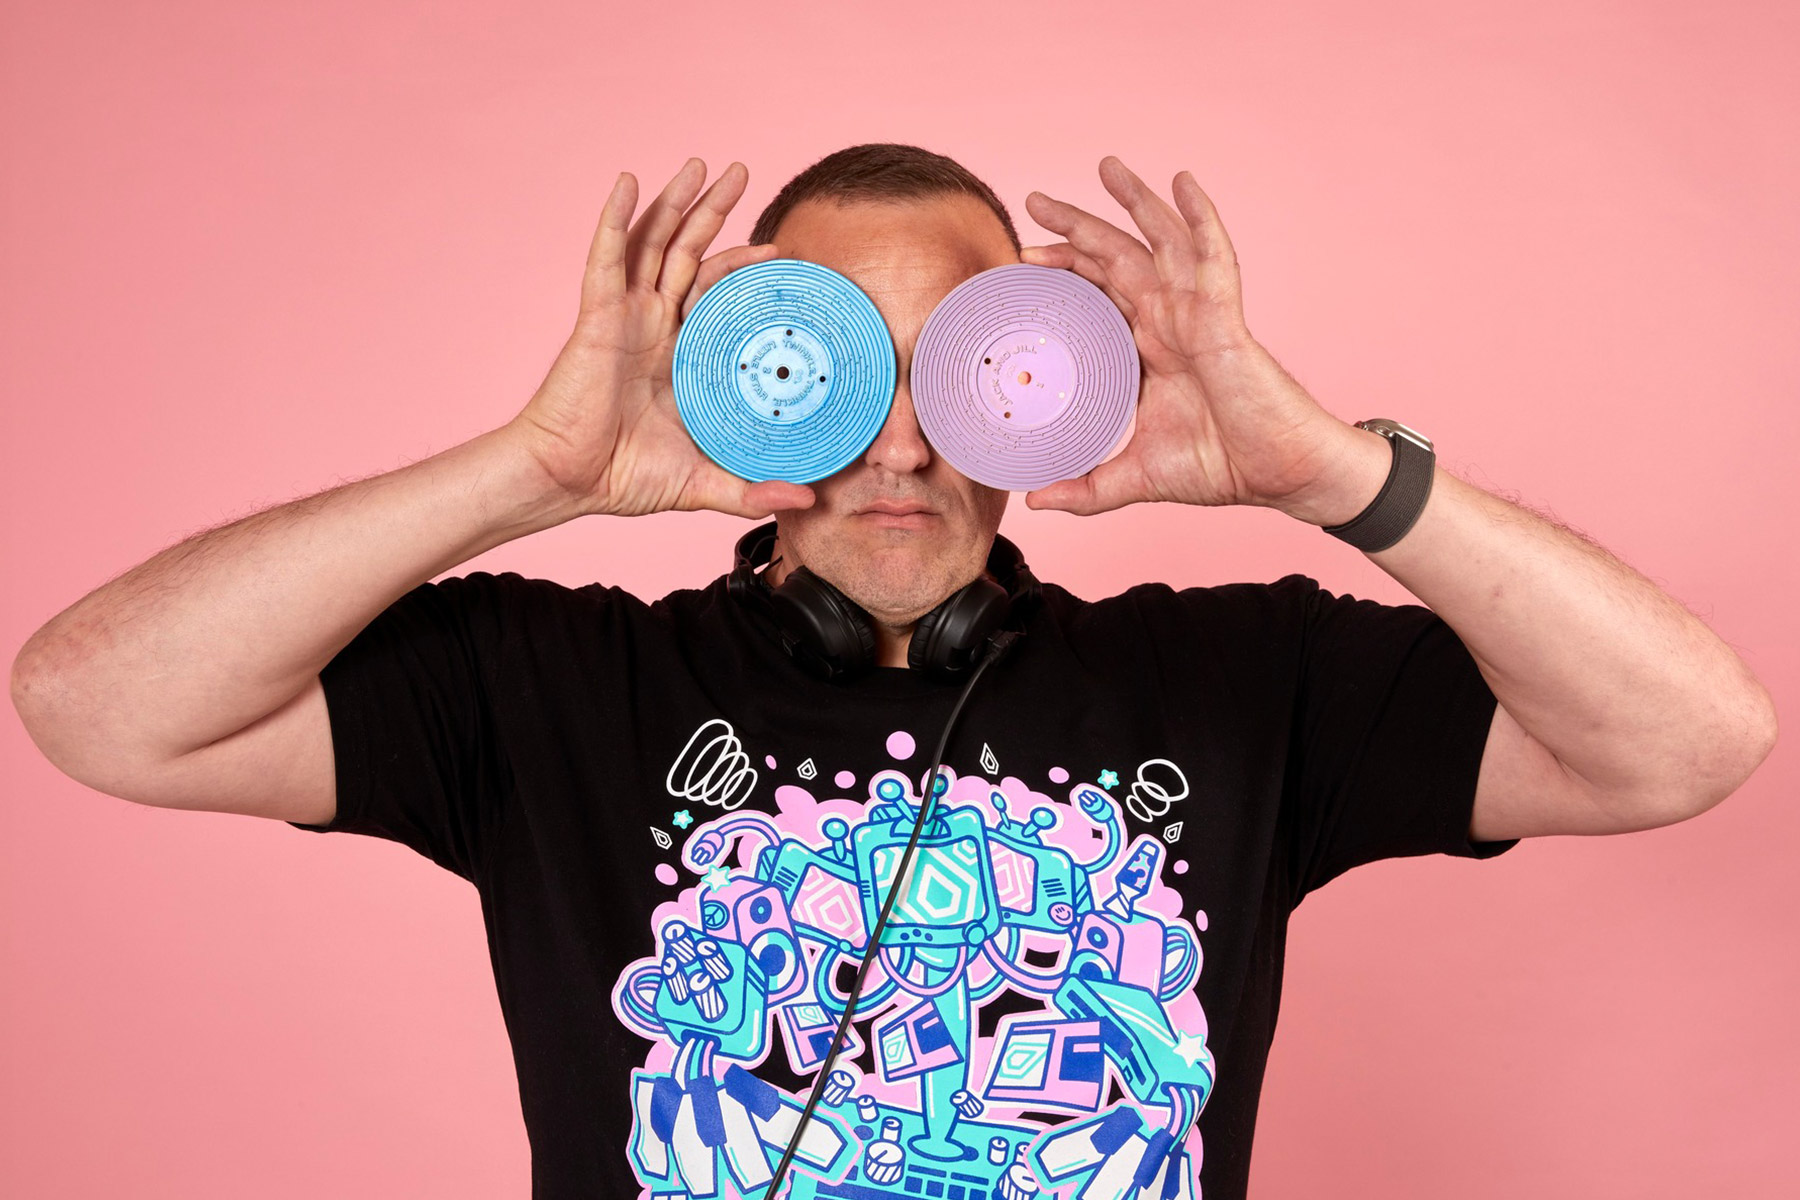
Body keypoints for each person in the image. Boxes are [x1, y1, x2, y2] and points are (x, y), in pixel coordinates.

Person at [9, 143, 1777, 1200]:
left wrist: (1330, 472)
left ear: (1049, 388)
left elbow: (1690, 740)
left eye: (968, 370)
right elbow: (94, 702)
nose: (905, 444)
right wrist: (528, 474)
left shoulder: (1242, 681)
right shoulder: (552, 690)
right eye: (833, 367)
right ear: (739, 379)